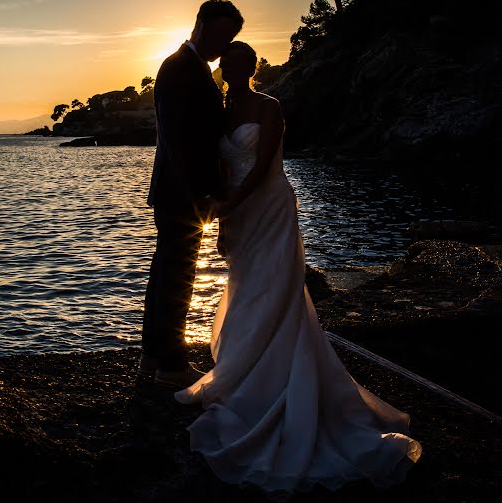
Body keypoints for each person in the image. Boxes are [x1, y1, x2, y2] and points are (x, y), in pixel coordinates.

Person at [173, 41, 422, 498]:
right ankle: (245, 374)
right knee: (246, 290)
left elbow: (263, 165)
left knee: (276, 289)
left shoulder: (269, 106)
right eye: (226, 62)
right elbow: (225, 172)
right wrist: (225, 226)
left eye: (241, 62)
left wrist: (225, 209)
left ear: (252, 66)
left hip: (269, 209)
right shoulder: (221, 114)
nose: (232, 69)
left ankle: (280, 383)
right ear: (221, 67)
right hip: (239, 215)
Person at [140, 0, 243, 389]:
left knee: (166, 274)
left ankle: (152, 358)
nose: (224, 43)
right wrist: (205, 192)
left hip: (177, 190)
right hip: (181, 192)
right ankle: (171, 365)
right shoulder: (179, 67)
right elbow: (182, 141)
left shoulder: (192, 67)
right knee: (177, 278)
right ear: (200, 24)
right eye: (220, 34)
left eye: (230, 37)